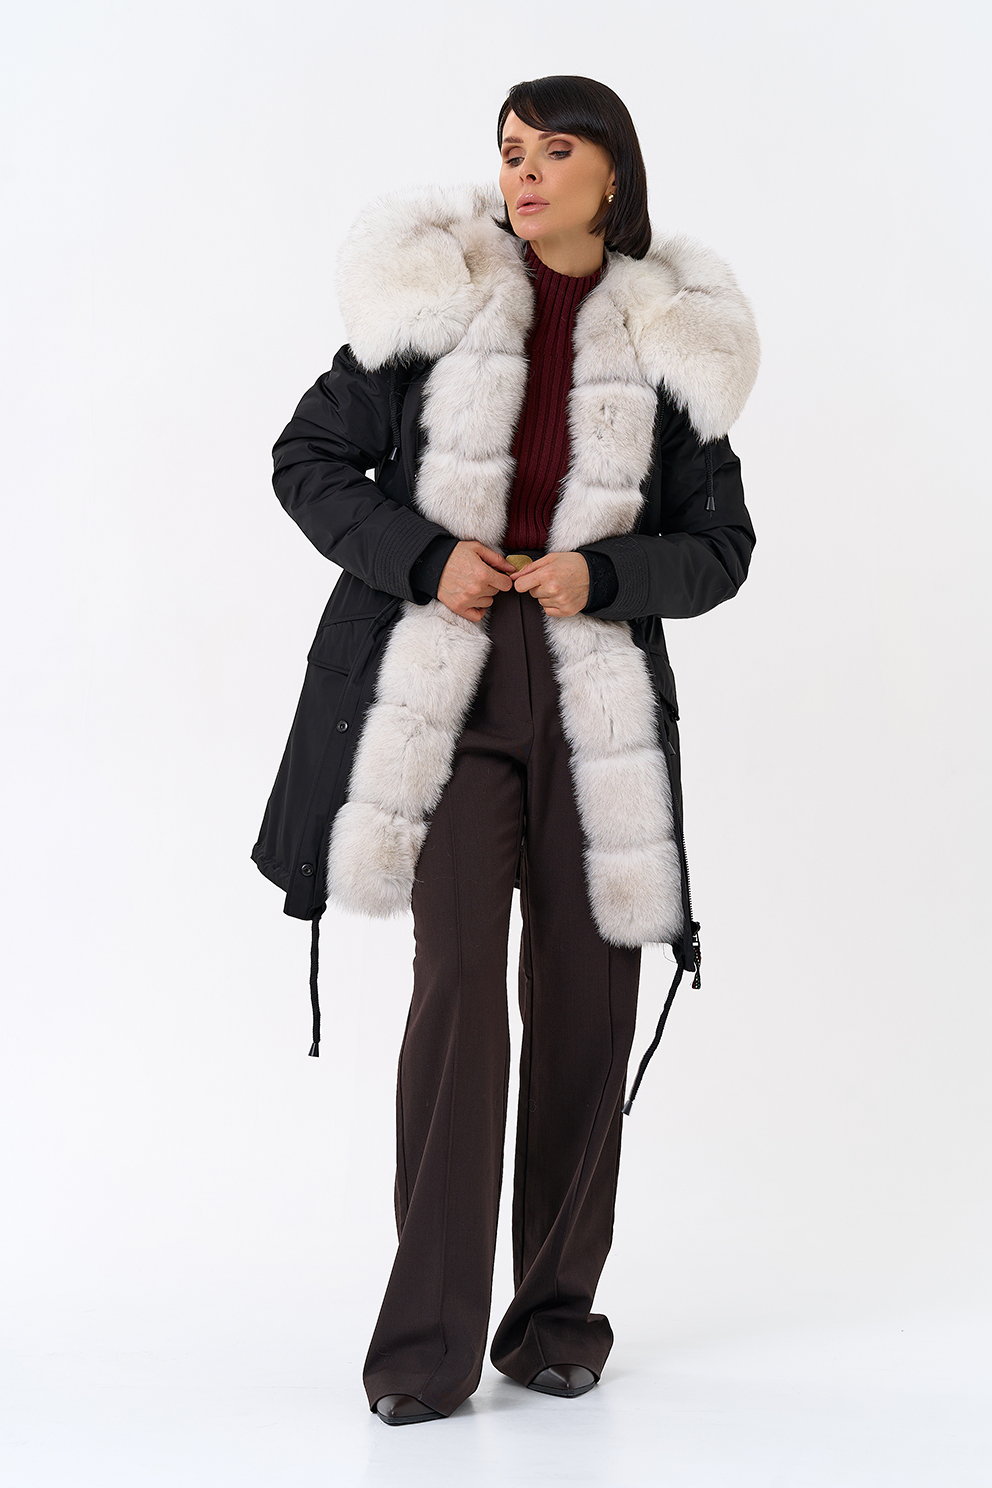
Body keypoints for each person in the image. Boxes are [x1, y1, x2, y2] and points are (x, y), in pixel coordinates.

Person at [251, 74, 759, 1426]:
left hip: (594, 703)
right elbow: (308, 458)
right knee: (462, 995)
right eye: (510, 151)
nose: (523, 174)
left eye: (554, 151)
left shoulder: (669, 336)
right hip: (450, 691)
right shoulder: (441, 296)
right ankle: (426, 1346)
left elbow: (722, 549)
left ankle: (553, 1323)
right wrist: (427, 557)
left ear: (612, 175)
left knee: (587, 1008)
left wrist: (610, 574)